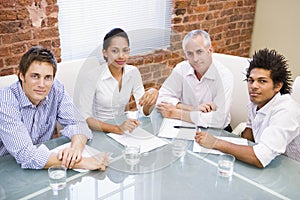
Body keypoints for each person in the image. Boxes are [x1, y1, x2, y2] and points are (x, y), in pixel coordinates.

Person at [0, 46, 109, 170]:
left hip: (45, 165)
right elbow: (26, 154)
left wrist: (75, 151)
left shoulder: (56, 89)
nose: (42, 85)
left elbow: (78, 123)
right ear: (21, 76)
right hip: (7, 167)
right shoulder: (5, 100)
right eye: (35, 76)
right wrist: (83, 162)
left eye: (47, 77)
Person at [195, 48, 300, 168]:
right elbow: (250, 131)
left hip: (291, 170)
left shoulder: (286, 111)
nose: (253, 86)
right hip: (271, 164)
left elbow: (260, 158)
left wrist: (216, 143)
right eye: (251, 80)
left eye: (262, 81)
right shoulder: (256, 101)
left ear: (278, 86)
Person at [74, 28, 158, 134]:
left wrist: (151, 98)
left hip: (122, 129)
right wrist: (116, 129)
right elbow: (85, 118)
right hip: (98, 131)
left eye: (125, 50)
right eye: (115, 51)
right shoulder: (92, 76)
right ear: (104, 52)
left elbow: (144, 110)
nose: (121, 56)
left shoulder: (133, 72)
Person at [157, 30, 233, 131]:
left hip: (216, 131)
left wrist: (175, 113)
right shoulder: (181, 68)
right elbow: (161, 98)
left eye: (199, 52)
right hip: (185, 126)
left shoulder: (224, 76)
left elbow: (218, 120)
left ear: (210, 51)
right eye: (190, 54)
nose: (195, 59)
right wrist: (192, 109)